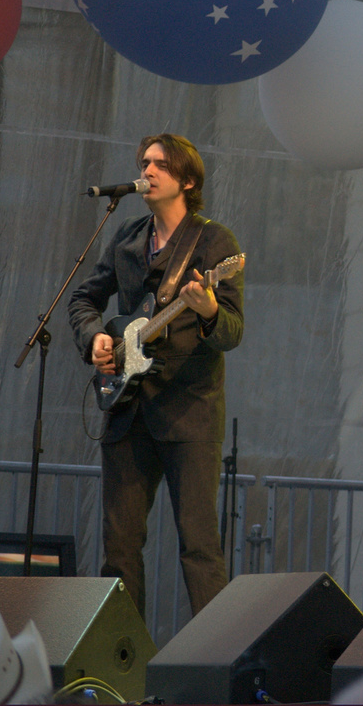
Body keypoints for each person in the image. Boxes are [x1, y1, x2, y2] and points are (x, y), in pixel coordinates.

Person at [69, 134, 244, 621]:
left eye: (159, 165)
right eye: (143, 162)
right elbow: (83, 300)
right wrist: (95, 340)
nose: (146, 171)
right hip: (127, 411)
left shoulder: (214, 243)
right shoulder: (127, 236)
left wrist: (208, 307)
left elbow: (230, 333)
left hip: (190, 414)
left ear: (187, 180)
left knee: (199, 548)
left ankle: (213, 671)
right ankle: (123, 669)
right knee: (119, 552)